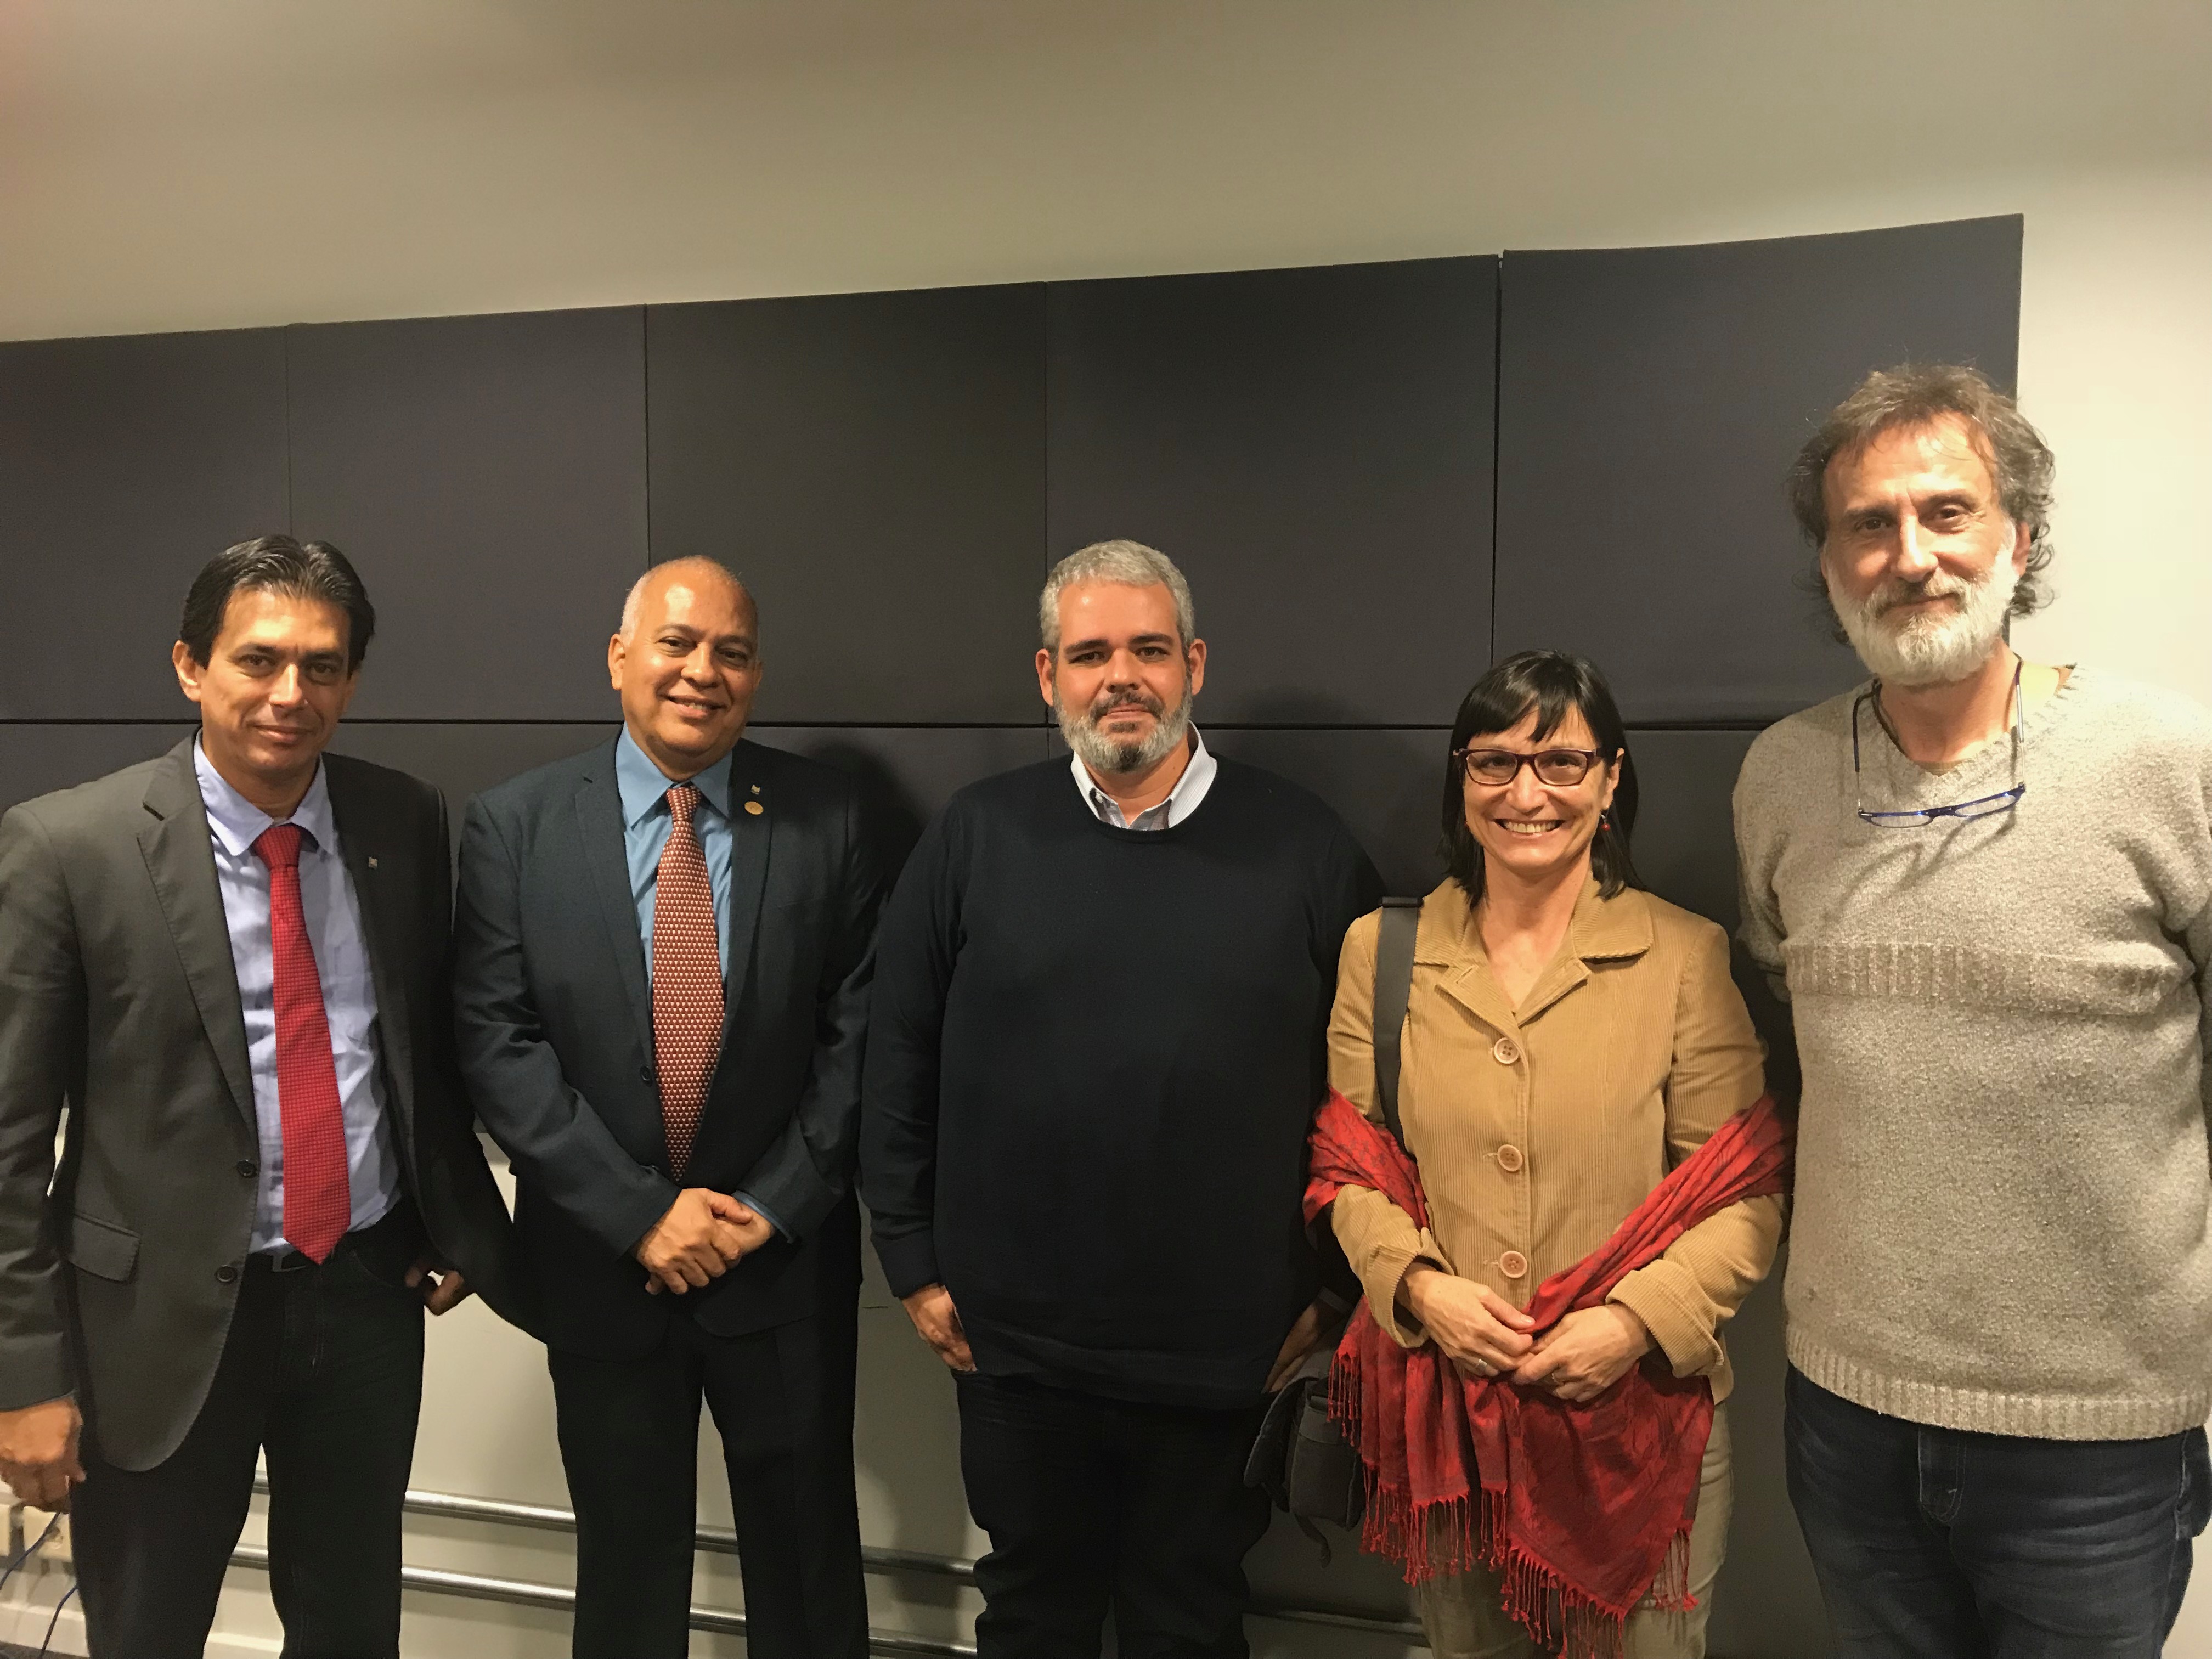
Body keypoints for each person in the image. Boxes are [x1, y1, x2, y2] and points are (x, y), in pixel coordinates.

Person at [1736, 363, 2212, 1655]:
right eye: (1869, 524)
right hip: (1847, 1414)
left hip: (2095, 1441)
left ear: (2021, 536)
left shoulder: (2167, 762)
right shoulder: (1781, 777)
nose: (1911, 556)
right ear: (1829, 560)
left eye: (1948, 511)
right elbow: (1797, 1018)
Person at [860, 539, 1382, 1659]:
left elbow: (1373, 1095)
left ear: (1195, 663)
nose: (1121, 677)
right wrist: (909, 1259)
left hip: (1227, 1344)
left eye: (1149, 649)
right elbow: (896, 1053)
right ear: (1048, 676)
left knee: (1188, 1621)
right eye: (1091, 654)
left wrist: (1339, 1287)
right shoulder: (974, 836)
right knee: (1032, 1614)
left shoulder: (1306, 850)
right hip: (1014, 1342)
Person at [0, 536, 520, 1657]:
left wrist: (455, 1217)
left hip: (363, 1296)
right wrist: (24, 1377)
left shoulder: (402, 818)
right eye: (259, 660)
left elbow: (420, 1047)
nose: (292, 694)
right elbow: (8, 1143)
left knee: (352, 1629)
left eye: (323, 666)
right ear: (191, 666)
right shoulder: (68, 846)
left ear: (352, 681)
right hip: (154, 1325)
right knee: (150, 1631)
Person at [452, 556, 883, 1659]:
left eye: (732, 653)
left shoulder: (832, 820)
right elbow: (498, 1042)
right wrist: (641, 1212)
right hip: (605, 1268)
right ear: (619, 658)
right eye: (678, 644)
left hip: (779, 1268)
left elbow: (859, 1038)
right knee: (627, 1578)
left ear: (756, 674)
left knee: (809, 1572)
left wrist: (768, 1208)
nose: (703, 672)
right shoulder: (515, 825)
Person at [1317, 650, 1782, 1659]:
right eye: (1495, 762)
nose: (1527, 794)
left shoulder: (1684, 956)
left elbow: (1744, 1196)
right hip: (1454, 1429)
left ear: (1610, 781)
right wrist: (1420, 1291)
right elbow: (1351, 1164)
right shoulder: (1381, 953)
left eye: (1562, 763)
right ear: (1463, 779)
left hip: (1637, 1426)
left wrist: (1635, 1322)